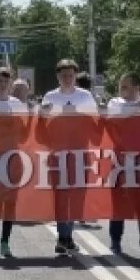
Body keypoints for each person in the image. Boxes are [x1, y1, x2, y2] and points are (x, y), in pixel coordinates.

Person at [42, 59, 97, 254]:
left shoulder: (85, 96)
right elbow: (42, 126)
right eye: (63, 75)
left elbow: (95, 123)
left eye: (70, 75)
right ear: (58, 77)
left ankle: (68, 235)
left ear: (75, 76)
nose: (67, 79)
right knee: (60, 196)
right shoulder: (50, 97)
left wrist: (79, 116)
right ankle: (63, 236)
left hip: (80, 153)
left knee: (76, 197)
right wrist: (45, 115)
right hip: (57, 154)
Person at [107, 73, 140, 259]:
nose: (121, 91)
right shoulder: (115, 103)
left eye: (125, 87)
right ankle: (115, 241)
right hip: (120, 161)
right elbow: (115, 116)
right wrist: (138, 109)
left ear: (137, 87)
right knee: (118, 202)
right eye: (121, 87)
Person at [0, 67, 27, 257]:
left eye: (5, 81)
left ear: (10, 83)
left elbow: (24, 134)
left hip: (12, 158)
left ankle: (5, 241)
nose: (2, 84)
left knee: (10, 202)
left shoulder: (17, 104)